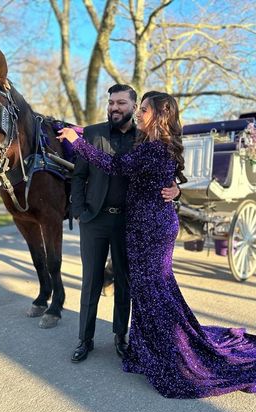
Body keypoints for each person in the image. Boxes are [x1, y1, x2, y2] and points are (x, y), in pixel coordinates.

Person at [58, 91, 256, 398]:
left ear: (161, 114)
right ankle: (148, 349)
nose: (139, 114)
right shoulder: (153, 144)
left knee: (154, 292)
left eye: (144, 109)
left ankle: (173, 356)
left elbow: (114, 165)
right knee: (152, 291)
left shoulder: (155, 148)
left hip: (151, 229)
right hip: (147, 225)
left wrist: (77, 144)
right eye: (139, 109)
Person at [69, 84, 179, 363]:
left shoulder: (144, 139)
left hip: (131, 222)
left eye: (122, 103)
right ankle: (85, 339)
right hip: (94, 220)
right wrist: (79, 210)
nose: (114, 107)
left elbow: (166, 171)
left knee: (127, 283)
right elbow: (79, 175)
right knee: (91, 281)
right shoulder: (92, 133)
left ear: (132, 106)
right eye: (111, 103)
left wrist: (176, 189)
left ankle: (122, 337)